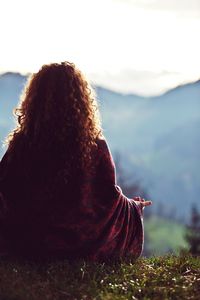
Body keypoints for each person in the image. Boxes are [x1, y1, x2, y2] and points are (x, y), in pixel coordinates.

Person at [0, 62, 152, 261]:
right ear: (82, 100)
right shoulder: (95, 147)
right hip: (81, 246)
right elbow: (107, 199)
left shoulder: (22, 144)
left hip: (29, 243)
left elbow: (5, 191)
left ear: (34, 98)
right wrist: (133, 208)